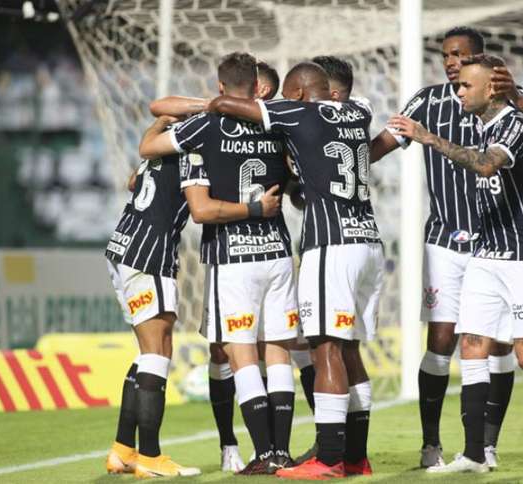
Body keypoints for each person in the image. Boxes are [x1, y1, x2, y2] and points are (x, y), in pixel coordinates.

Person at [370, 25, 523, 469]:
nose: (450, 62)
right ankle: (431, 443)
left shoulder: (505, 99)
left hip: (496, 242)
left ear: (481, 59)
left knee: (497, 346)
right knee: (442, 339)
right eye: (445, 55)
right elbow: (382, 145)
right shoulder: (428, 101)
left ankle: (484, 445)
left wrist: (518, 94)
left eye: (459, 55)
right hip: (445, 239)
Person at [206, 61, 383, 479]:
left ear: (300, 94)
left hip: (332, 245)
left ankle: (330, 460)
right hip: (369, 240)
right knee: (351, 349)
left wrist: (225, 99)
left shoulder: (297, 111)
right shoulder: (358, 111)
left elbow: (227, 105)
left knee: (326, 348)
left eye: (286, 93)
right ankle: (356, 457)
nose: (281, 100)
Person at [140, 52, 298, 475]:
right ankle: (282, 451)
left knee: (240, 352)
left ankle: (263, 453)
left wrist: (208, 106)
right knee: (278, 351)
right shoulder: (278, 120)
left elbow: (149, 144)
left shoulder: (207, 126)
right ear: (259, 86)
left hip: (234, 257)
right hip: (279, 252)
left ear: (222, 85)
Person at [104, 150, 200, 478]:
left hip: (123, 245)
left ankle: (123, 450)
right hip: (149, 252)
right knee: (158, 351)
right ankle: (150, 455)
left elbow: (133, 181)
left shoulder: (163, 147)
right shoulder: (200, 146)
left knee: (149, 352)